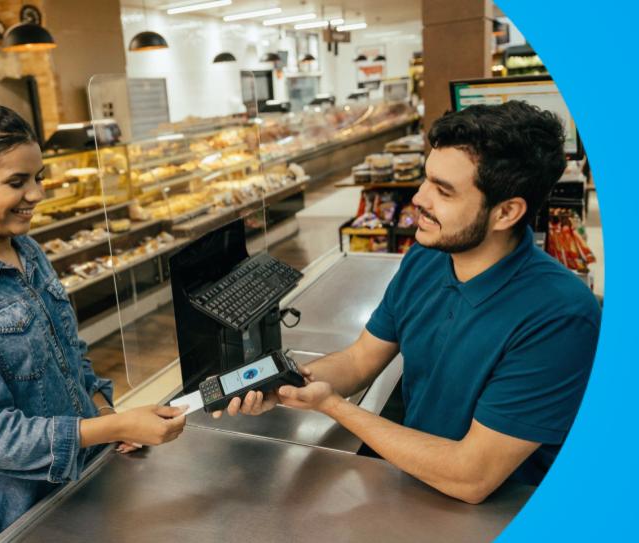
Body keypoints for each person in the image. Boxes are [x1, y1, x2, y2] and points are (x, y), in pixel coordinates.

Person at [216, 101, 600, 504]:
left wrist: (332, 406)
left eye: (443, 191)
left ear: (506, 212)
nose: (419, 198)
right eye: (426, 180)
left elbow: (472, 477)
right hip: (413, 484)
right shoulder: (426, 259)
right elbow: (360, 360)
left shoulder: (561, 316)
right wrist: (288, 382)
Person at [0, 97, 187, 542]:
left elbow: (71, 357)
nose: (37, 194)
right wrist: (115, 426)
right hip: (22, 514)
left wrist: (108, 417)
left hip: (86, 480)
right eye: (17, 182)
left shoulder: (26, 250)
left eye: (39, 177)